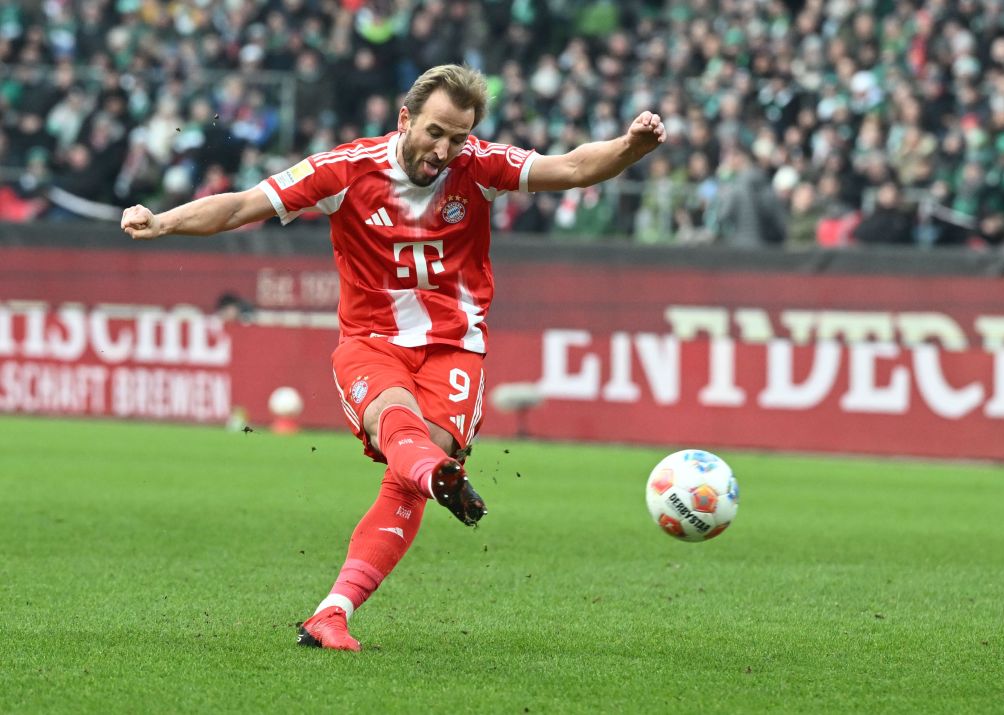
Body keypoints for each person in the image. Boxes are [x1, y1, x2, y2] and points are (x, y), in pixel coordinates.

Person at [119, 64, 666, 651]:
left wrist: (631, 147)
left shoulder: (479, 165)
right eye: (435, 133)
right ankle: (437, 476)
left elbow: (575, 168)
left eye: (458, 137)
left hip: (455, 346)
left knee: (413, 467)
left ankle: (332, 612)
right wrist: (163, 222)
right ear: (405, 119)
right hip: (372, 341)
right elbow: (240, 207)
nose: (445, 150)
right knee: (399, 427)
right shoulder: (345, 170)